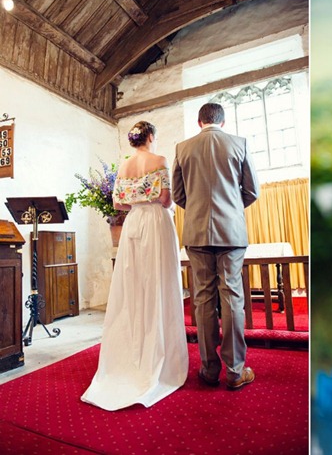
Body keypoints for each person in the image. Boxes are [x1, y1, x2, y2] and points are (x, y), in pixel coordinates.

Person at [82, 121, 188, 411]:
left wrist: (137, 202)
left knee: (133, 286)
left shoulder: (125, 165)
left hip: (133, 224)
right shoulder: (160, 160)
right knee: (158, 282)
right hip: (155, 222)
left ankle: (132, 353)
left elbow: (118, 203)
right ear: (151, 136)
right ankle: (156, 353)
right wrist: (150, 199)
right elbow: (166, 200)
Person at [172, 102, 259, 390]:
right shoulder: (239, 143)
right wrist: (232, 208)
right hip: (231, 231)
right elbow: (252, 191)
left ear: (199, 122)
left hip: (196, 231)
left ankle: (209, 370)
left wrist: (198, 209)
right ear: (222, 121)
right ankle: (235, 370)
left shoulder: (182, 148)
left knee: (203, 297)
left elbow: (178, 194)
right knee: (233, 296)